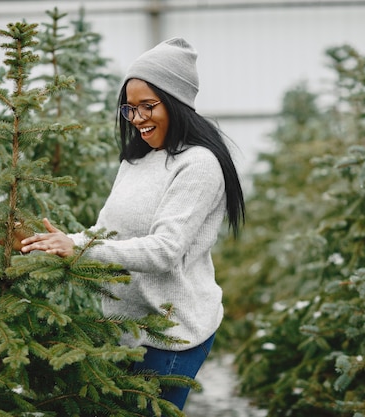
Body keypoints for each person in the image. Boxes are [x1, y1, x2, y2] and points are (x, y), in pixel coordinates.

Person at [20, 37, 245, 410]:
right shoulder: (136, 163)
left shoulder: (199, 164)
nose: (137, 118)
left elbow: (165, 251)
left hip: (170, 334)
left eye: (148, 106)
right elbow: (106, 234)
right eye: (129, 109)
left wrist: (80, 248)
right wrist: (57, 241)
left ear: (176, 103)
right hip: (122, 331)